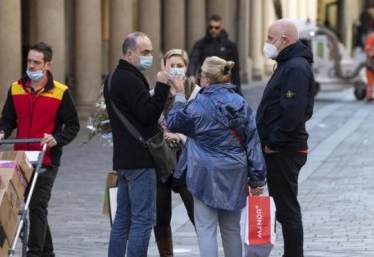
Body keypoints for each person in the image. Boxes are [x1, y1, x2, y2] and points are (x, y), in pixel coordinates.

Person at [167, 56, 266, 257]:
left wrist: (179, 94)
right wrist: (257, 178)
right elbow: (253, 142)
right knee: (231, 229)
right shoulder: (241, 103)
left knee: (206, 229)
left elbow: (174, 122)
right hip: (235, 173)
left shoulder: (198, 104)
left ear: (206, 79)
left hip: (204, 172)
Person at [0, 41, 80, 257]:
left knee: (37, 205)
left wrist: (56, 138)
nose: (31, 66)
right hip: (21, 157)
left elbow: (73, 126)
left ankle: (33, 253)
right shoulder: (15, 88)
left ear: (47, 65)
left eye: (36, 62)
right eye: (29, 61)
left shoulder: (61, 92)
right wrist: (2, 132)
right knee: (33, 205)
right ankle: (47, 252)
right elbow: (8, 119)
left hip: (47, 159)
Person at [104, 32, 171, 257]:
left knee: (123, 219)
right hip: (140, 160)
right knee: (143, 220)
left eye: (151, 52)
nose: (149, 56)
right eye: (145, 52)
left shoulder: (114, 77)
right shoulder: (130, 80)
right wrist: (162, 86)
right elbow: (148, 116)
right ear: (130, 54)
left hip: (124, 159)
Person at [256, 19, 315, 257]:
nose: (267, 42)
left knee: (287, 210)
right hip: (282, 147)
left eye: (271, 38)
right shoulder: (287, 64)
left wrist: (274, 143)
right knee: (284, 208)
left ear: (285, 40)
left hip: (284, 150)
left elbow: (294, 112)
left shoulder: (294, 68)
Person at [153, 49, 198, 256]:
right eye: (172, 65)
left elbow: (202, 127)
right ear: (164, 67)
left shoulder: (196, 93)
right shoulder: (156, 94)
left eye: (180, 65)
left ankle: (208, 250)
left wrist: (180, 137)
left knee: (195, 211)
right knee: (160, 216)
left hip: (186, 158)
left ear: (186, 67)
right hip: (161, 159)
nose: (176, 69)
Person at [187, 14, 242, 93]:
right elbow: (193, 59)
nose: (213, 30)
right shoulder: (201, 44)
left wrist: (238, 90)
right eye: (211, 27)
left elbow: (235, 70)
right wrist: (191, 74)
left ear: (221, 27)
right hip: (205, 82)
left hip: (224, 84)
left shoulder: (230, 45)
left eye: (216, 27)